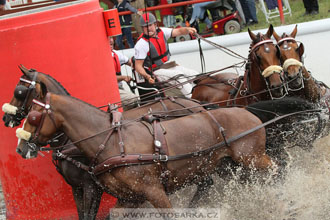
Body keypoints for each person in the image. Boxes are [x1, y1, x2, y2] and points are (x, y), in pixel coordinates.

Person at [134, 13, 199, 98]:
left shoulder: (162, 32)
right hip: (155, 71)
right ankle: (194, 100)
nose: (148, 28)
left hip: (168, 65)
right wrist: (148, 76)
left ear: (155, 24)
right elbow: (138, 66)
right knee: (179, 77)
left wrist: (187, 29)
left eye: (150, 25)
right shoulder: (141, 44)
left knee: (195, 75)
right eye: (145, 27)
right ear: (142, 28)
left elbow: (178, 31)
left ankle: (201, 94)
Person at [109, 37, 138, 110]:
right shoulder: (100, 57)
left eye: (111, 37)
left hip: (119, 88)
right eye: (107, 38)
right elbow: (108, 79)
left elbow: (131, 63)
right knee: (133, 99)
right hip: (109, 90)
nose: (111, 40)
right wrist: (123, 77)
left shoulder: (116, 54)